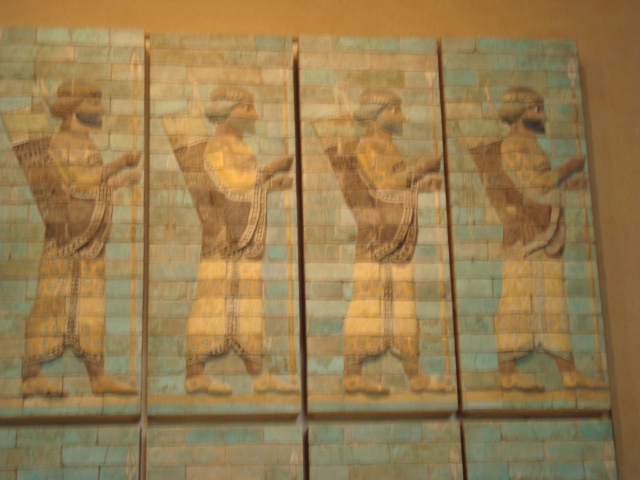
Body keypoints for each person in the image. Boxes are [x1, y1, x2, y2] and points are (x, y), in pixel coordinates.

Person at [475, 86, 607, 392]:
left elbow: (540, 189)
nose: (543, 115)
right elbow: (533, 185)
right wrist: (567, 168)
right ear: (518, 112)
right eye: (536, 108)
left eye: (542, 108)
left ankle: (568, 373)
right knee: (517, 300)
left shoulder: (531, 146)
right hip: (524, 236)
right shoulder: (514, 146)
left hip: (543, 234)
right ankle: (508, 373)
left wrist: (567, 185)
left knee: (552, 301)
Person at [326, 88, 453, 394]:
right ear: (375, 115)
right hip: (376, 240)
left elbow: (394, 188)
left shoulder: (387, 146)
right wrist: (420, 169)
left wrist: (421, 184)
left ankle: (415, 376)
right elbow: (382, 186)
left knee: (403, 307)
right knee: (367, 305)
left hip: (397, 239)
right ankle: (353, 375)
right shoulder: (369, 145)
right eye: (394, 110)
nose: (402, 116)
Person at [19, 80, 140, 396]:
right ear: (72, 108)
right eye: (94, 102)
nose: (101, 110)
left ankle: (97, 376)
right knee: (50, 304)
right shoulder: (60, 144)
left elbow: (91, 187)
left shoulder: (87, 144)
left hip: (89, 243)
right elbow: (74, 184)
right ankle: (31, 376)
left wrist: (120, 178)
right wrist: (120, 166)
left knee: (90, 306)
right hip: (64, 242)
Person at [181, 86, 297, 395]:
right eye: (246, 107)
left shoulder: (239, 147)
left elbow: (243, 190)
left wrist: (270, 184)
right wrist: (270, 170)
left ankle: (258, 375)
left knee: (248, 306)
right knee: (211, 304)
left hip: (244, 240)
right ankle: (195, 374)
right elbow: (228, 185)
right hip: (222, 239)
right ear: (226, 110)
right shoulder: (218, 146)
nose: (254, 115)